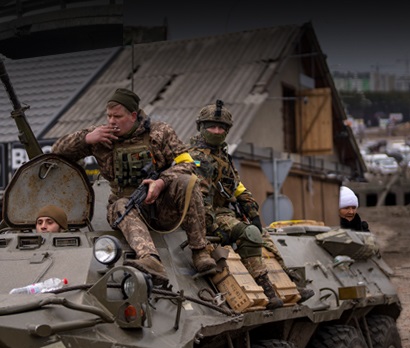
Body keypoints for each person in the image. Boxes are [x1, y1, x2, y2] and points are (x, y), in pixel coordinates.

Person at [52, 88, 216, 285]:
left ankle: (199, 251)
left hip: (161, 205)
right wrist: (86, 139)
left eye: (118, 116)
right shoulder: (101, 137)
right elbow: (57, 150)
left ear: (133, 115)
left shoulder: (160, 132)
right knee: (121, 205)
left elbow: (188, 164)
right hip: (127, 208)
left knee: (188, 182)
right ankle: (150, 259)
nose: (112, 121)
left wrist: (161, 182)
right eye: (109, 116)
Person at [187, 100, 313, 308]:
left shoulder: (222, 156)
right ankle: (267, 289)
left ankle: (287, 283)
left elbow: (235, 186)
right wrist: (213, 228)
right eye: (212, 127)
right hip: (208, 215)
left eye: (221, 128)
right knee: (250, 234)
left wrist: (251, 210)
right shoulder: (196, 158)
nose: (216, 131)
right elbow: (200, 199)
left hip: (225, 211)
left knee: (261, 233)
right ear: (201, 127)